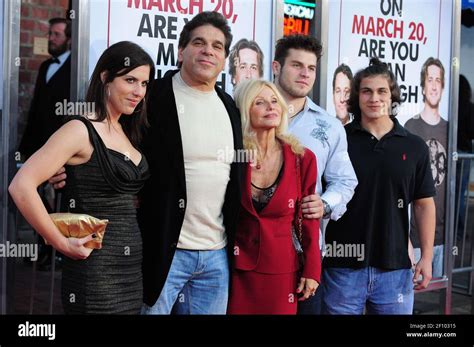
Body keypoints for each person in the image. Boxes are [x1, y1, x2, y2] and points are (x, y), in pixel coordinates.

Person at [9, 41, 154, 314]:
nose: (138, 92)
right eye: (130, 80)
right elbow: (21, 185)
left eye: (144, 84)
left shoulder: (127, 130)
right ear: (105, 78)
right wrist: (60, 242)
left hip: (131, 270)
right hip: (95, 271)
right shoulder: (79, 129)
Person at [321, 57, 436, 315]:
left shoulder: (414, 146)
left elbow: (424, 204)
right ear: (356, 96)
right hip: (342, 267)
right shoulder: (339, 139)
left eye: (382, 91)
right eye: (366, 91)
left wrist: (426, 257)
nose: (374, 98)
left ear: (392, 95)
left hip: (395, 270)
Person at [272, 34, 358, 314]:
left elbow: (345, 180)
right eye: (296, 65)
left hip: (303, 254)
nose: (305, 73)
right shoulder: (244, 113)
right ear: (276, 67)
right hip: (247, 250)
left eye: (310, 68)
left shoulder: (330, 126)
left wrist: (325, 203)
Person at [227, 79, 320, 314]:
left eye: (274, 101)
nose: (271, 107)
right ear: (245, 110)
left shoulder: (303, 158)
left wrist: (312, 270)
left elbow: (309, 219)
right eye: (260, 102)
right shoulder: (233, 155)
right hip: (235, 270)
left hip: (282, 271)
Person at [18, 17, 72, 270]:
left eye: (57, 34)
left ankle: (58, 252)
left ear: (69, 38)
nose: (51, 38)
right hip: (39, 145)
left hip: (64, 148)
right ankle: (45, 245)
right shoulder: (44, 67)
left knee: (62, 197)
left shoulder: (75, 66)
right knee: (34, 194)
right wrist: (25, 146)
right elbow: (36, 108)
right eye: (50, 33)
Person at [405, 57, 447, 278]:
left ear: (442, 86)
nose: (433, 85)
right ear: (422, 86)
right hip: (414, 238)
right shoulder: (410, 127)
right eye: (429, 79)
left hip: (444, 239)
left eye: (437, 80)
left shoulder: (450, 130)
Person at [455, 75, 474, 240]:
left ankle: (449, 228)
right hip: (465, 153)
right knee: (460, 195)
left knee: (449, 193)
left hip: (450, 152)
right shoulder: (469, 107)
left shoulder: (450, 105)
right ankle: (459, 231)